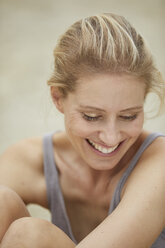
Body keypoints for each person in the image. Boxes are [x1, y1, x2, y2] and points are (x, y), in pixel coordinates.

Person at [0, 13, 165, 248]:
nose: (111, 136)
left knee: (29, 235)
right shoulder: (29, 161)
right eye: (92, 116)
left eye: (129, 116)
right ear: (58, 98)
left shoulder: (159, 162)